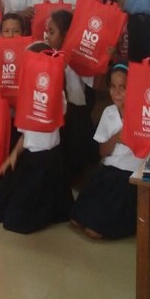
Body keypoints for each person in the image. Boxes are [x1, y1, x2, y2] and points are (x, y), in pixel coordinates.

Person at [0, 41, 73, 234]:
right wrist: (13, 155)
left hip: (46, 161)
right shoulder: (26, 94)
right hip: (28, 157)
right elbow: (26, 135)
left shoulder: (58, 95)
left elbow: (52, 116)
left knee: (18, 221)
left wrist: (56, 75)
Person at [71, 63, 143, 239]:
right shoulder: (109, 112)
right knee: (76, 219)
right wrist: (117, 137)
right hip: (108, 170)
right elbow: (102, 152)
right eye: (113, 86)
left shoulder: (143, 114)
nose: (116, 92)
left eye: (123, 87)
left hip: (129, 176)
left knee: (94, 230)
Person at [45, 10, 96, 181]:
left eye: (52, 32)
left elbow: (89, 90)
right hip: (58, 116)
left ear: (66, 34)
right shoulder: (47, 56)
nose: (47, 36)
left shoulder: (78, 58)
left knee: (75, 153)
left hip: (76, 117)